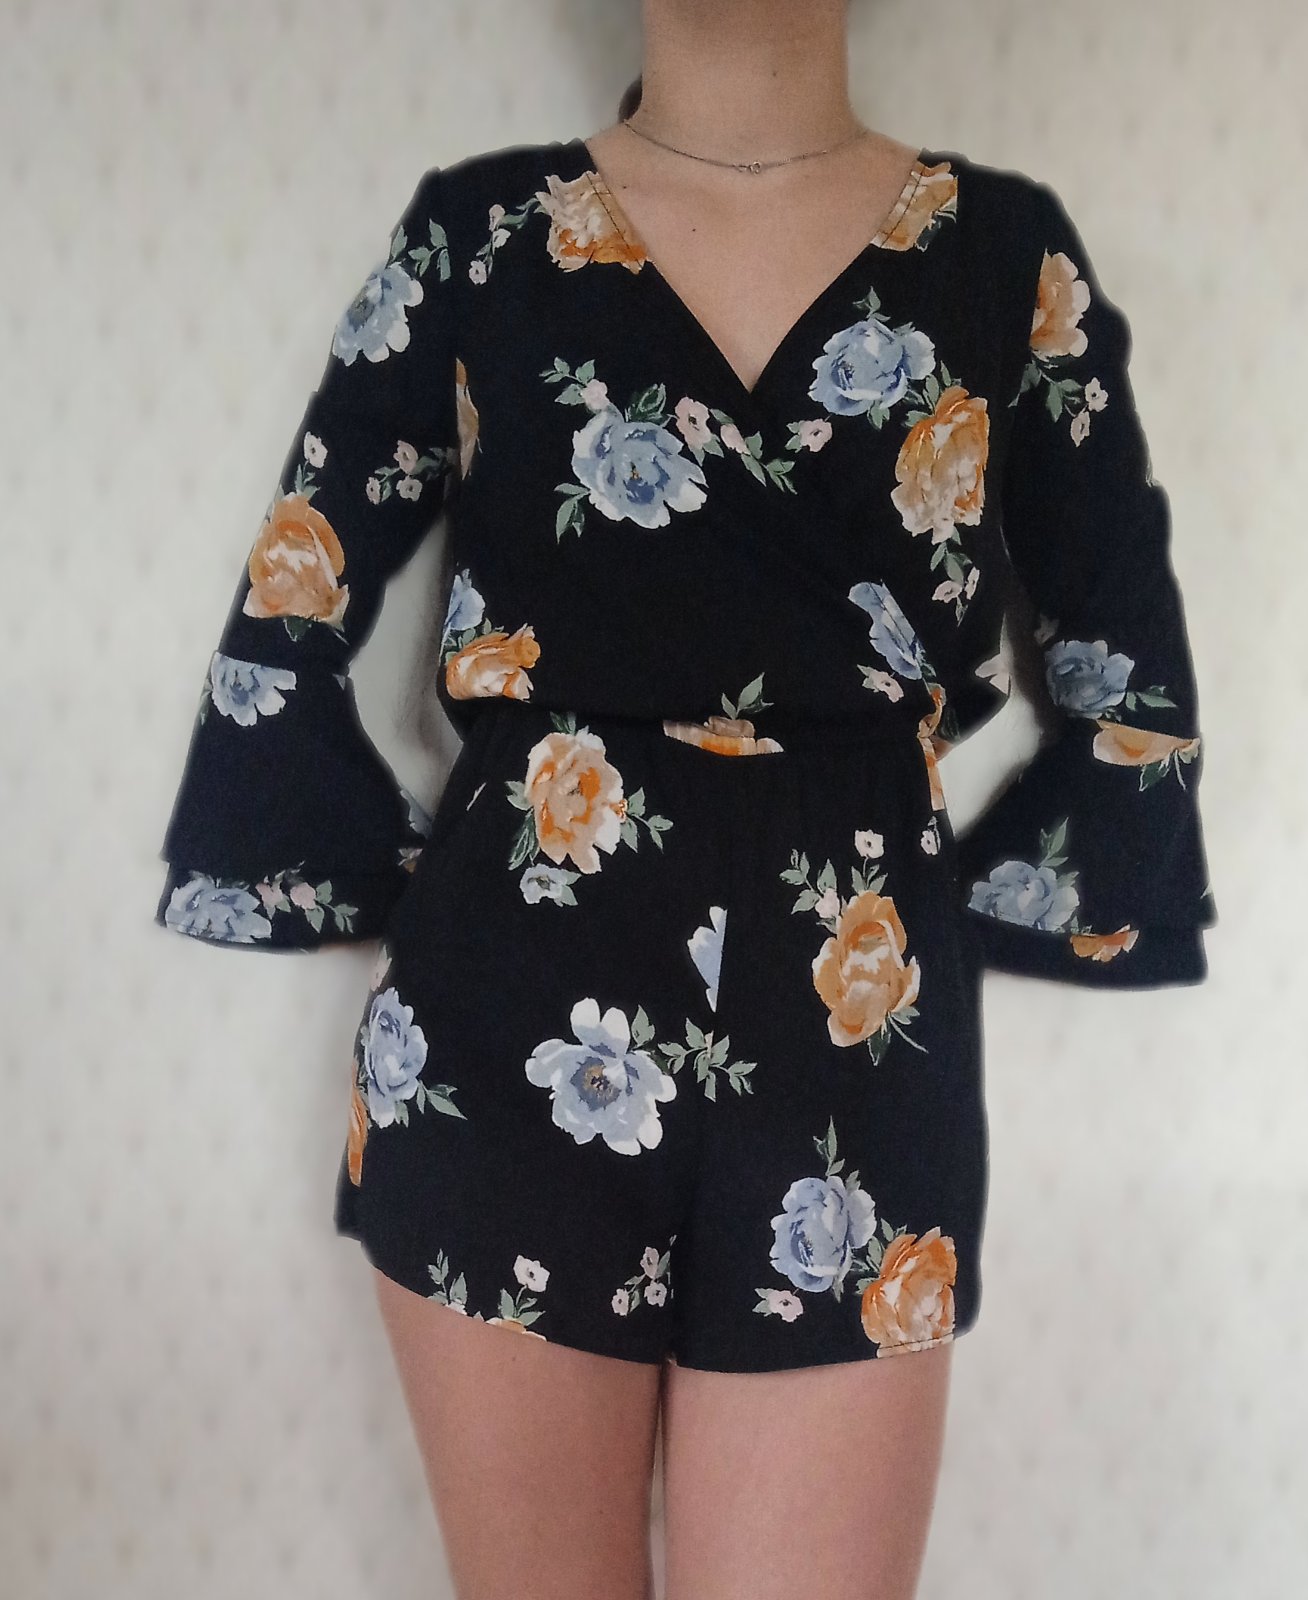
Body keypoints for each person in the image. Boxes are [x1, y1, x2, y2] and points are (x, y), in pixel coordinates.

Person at [151, 3, 1217, 1595]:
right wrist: (358, 873)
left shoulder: (1006, 257)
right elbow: (293, 603)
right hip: (514, 1017)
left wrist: (1003, 897)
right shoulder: (481, 236)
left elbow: (1125, 665)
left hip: (856, 1025)